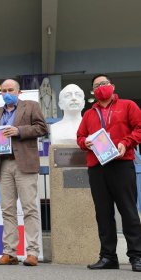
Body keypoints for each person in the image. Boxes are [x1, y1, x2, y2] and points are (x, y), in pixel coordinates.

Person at [77, 74, 141, 272]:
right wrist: (85, 143)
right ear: (93, 92)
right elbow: (80, 136)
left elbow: (139, 128)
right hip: (97, 167)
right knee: (103, 213)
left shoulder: (128, 105)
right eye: (97, 85)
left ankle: (137, 257)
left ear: (112, 86)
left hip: (121, 164)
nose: (101, 87)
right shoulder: (89, 114)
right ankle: (108, 257)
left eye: (104, 83)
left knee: (129, 211)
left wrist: (126, 142)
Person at [0, 79, 48, 266]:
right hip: (3, 164)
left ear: (19, 92)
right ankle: (9, 253)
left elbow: (42, 128)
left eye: (10, 89)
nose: (7, 93)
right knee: (7, 210)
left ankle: (32, 253)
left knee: (29, 208)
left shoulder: (31, 106)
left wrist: (19, 130)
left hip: (25, 164)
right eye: (3, 90)